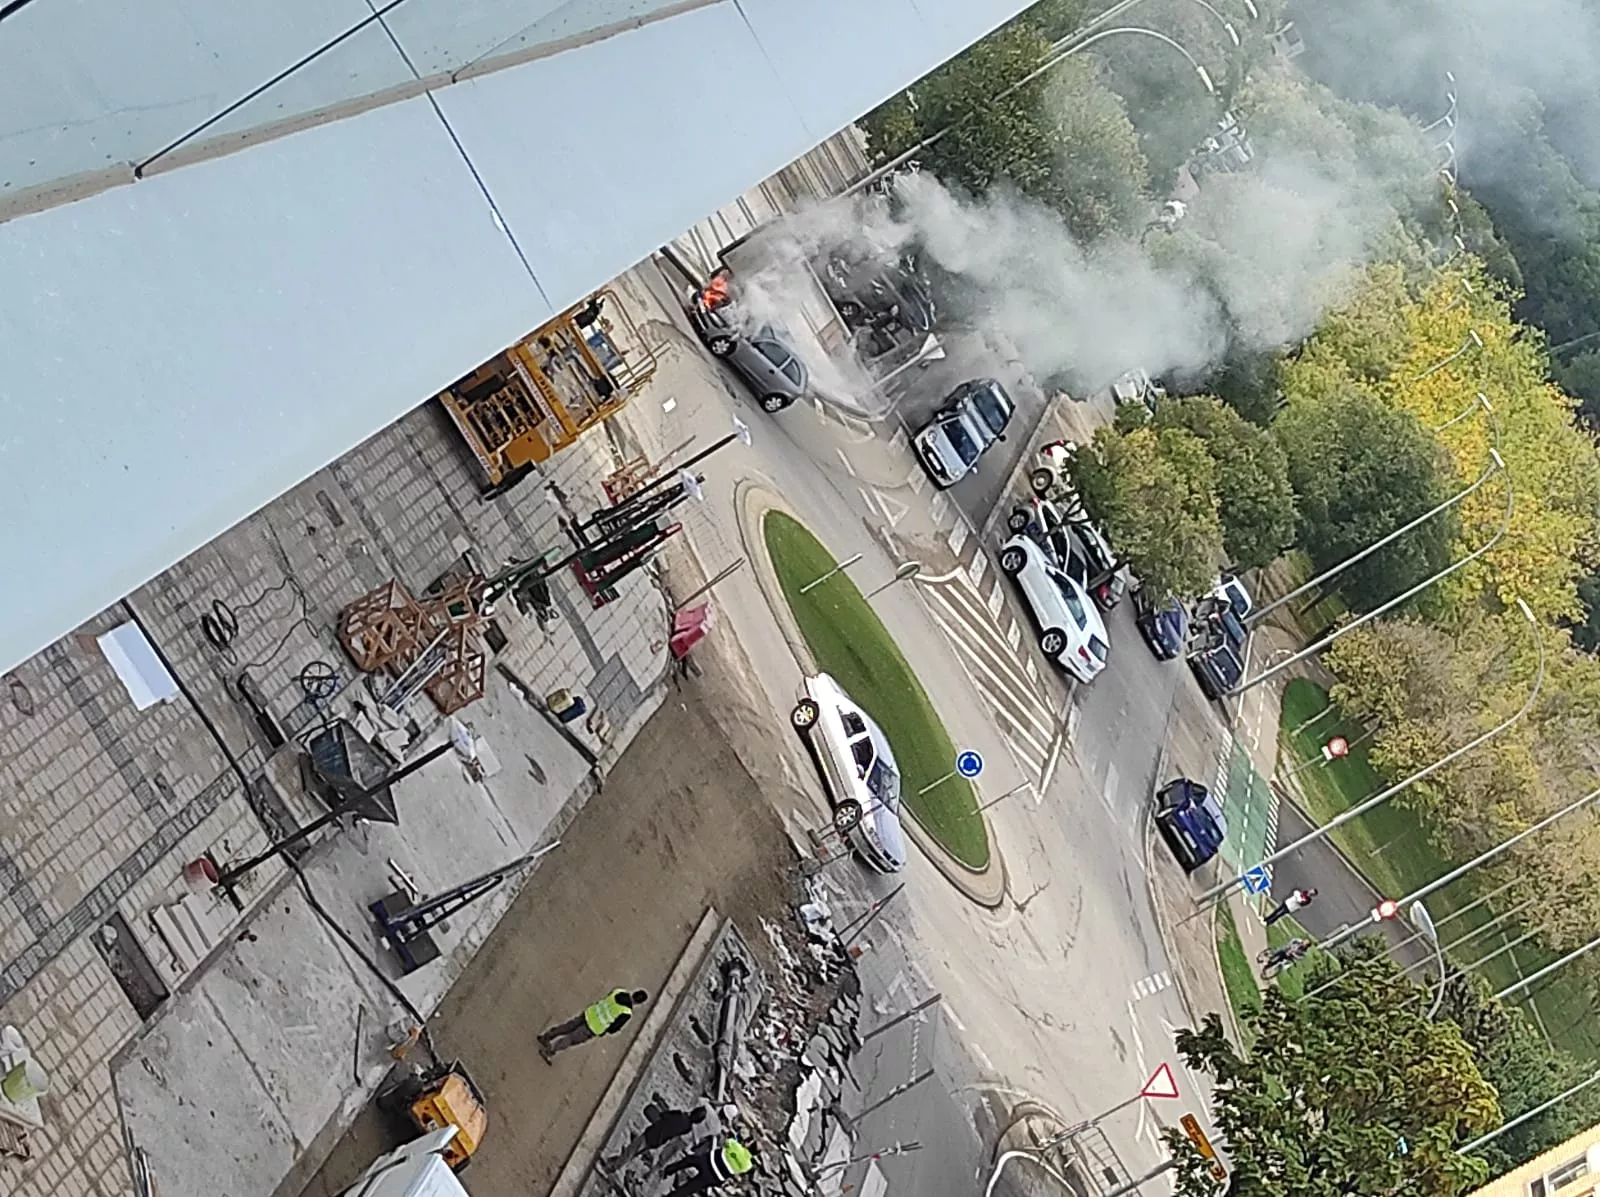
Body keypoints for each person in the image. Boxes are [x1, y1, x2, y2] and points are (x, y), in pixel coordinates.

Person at [538, 988, 649, 1062]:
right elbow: (614, 1027)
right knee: (571, 1039)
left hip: (590, 1012)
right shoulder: (626, 1012)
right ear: (639, 1003)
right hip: (594, 1027)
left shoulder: (618, 991)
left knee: (568, 1027)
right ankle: (549, 1051)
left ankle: (546, 1037)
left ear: (634, 992)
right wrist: (605, 1031)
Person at [605, 1104, 709, 1171]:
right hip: (659, 1140)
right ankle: (614, 1161)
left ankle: (613, 1167)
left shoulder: (679, 1114)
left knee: (631, 1150)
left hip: (653, 1132)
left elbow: (663, 1115)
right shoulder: (687, 1128)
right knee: (635, 1152)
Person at [660, 1137, 754, 1197]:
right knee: (689, 1188)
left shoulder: (736, 1145)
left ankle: (668, 1170)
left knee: (689, 1160)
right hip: (715, 1177)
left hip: (708, 1161)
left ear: (748, 1144)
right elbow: (739, 1172)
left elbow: (726, 1142)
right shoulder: (748, 1165)